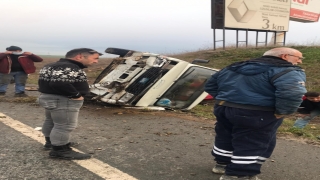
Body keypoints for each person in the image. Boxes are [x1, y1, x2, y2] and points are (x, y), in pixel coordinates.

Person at [204, 47, 307, 180]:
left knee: (225, 135)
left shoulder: (233, 67)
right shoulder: (287, 71)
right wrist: (283, 111)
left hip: (224, 108)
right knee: (252, 142)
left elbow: (210, 85)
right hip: (259, 113)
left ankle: (221, 164)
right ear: (285, 56)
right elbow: (293, 93)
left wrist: (226, 99)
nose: (300, 62)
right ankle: (239, 174)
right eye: (299, 58)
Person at [37, 48, 102, 160]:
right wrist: (76, 95)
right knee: (64, 126)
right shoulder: (70, 67)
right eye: (95, 58)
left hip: (48, 97)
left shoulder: (50, 65)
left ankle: (51, 143)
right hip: (63, 100)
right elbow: (59, 84)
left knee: (51, 121)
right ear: (79, 56)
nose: (96, 61)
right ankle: (60, 150)